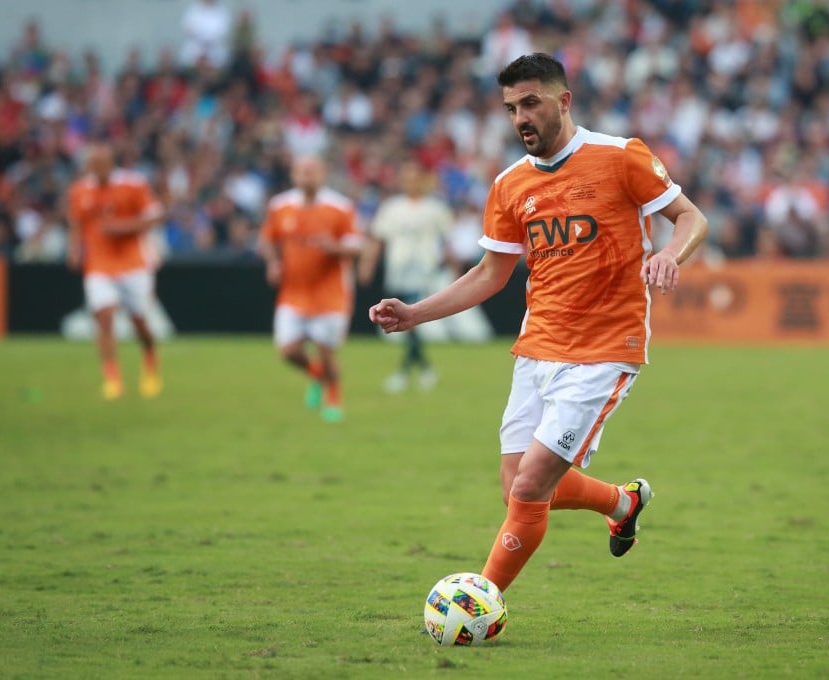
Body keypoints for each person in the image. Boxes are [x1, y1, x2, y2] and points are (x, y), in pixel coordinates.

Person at [370, 53, 708, 593]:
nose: (520, 118)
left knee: (529, 487)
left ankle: (479, 600)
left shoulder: (620, 156)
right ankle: (622, 503)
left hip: (604, 350)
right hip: (536, 347)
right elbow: (489, 274)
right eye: (511, 108)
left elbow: (691, 216)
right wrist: (415, 314)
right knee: (516, 488)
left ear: (563, 101)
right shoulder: (510, 184)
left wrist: (670, 254)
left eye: (530, 103)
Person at [258, 155, 361, 423]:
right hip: (293, 292)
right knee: (288, 351)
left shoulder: (339, 207)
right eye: (302, 171)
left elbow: (356, 246)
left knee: (326, 350)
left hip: (330, 293)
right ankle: (316, 375)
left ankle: (334, 397)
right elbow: (267, 239)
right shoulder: (280, 206)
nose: (307, 176)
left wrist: (334, 248)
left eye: (312, 171)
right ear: (293, 175)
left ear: (322, 174)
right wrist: (273, 263)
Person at [66, 143, 166, 400]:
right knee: (104, 317)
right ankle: (112, 378)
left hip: (133, 264)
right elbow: (77, 223)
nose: (97, 169)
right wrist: (74, 249)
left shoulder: (133, 184)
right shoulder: (79, 190)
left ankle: (150, 358)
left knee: (139, 321)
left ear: (111, 163)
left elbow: (156, 216)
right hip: (98, 265)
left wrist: (123, 227)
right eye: (93, 165)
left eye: (101, 164)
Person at [359, 158, 454, 393]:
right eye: (407, 178)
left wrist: (454, 270)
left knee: (410, 321)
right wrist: (367, 265)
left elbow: (447, 242)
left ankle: (404, 373)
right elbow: (378, 239)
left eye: (415, 178)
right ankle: (424, 369)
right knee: (407, 324)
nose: (411, 182)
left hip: (424, 271)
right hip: (398, 270)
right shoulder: (392, 208)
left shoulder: (435, 208)